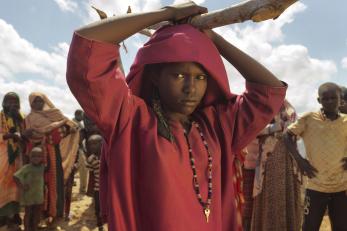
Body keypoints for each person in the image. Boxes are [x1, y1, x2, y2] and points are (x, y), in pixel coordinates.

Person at [66, 2, 287, 230]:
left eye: (200, 77)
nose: (191, 88)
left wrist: (213, 39)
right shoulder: (130, 120)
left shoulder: (216, 126)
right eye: (179, 75)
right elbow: (88, 44)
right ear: (154, 78)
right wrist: (167, 14)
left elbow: (268, 92)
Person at [284, 82, 347, 231]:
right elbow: (287, 136)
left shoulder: (345, 121)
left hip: (341, 186)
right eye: (325, 99)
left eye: (334, 98)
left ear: (341, 100)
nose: (330, 102)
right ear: (319, 100)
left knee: (342, 227)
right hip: (316, 185)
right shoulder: (309, 119)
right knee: (310, 227)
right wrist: (300, 161)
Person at [242, 100, 302, 231]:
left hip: (283, 168)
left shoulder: (289, 111)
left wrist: (277, 129)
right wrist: (273, 128)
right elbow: (251, 130)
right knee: (250, 210)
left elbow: (296, 130)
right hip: (257, 166)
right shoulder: (257, 110)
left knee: (283, 203)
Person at [24, 92, 79, 225]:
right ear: (31, 103)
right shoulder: (28, 119)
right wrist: (33, 135)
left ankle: (55, 212)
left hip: (53, 153)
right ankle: (41, 215)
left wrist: (64, 129)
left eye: (41, 101)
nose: (38, 104)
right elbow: (26, 136)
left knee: (55, 181)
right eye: (35, 101)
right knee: (39, 184)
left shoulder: (54, 115)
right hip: (36, 155)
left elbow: (69, 126)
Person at [0, 92, 25, 231]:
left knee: (15, 187)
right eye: (9, 101)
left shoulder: (21, 119)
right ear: (3, 103)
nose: (12, 104)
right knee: (2, 186)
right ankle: (3, 219)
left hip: (17, 157)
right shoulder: (0, 117)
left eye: (15, 101)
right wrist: (10, 135)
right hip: (2, 157)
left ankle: (13, 218)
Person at [13, 146, 45, 231]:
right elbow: (15, 177)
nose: (36, 158)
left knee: (36, 213)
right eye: (34, 156)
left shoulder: (42, 167)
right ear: (30, 157)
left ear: (42, 158)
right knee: (28, 213)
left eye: (39, 156)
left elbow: (49, 168)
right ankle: (27, 229)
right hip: (29, 196)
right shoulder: (27, 168)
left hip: (38, 195)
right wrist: (22, 186)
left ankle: (34, 228)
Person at [85, 134, 104, 231]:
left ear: (102, 143)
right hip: (97, 189)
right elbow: (91, 175)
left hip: (109, 189)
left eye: (95, 143)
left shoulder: (109, 155)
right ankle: (100, 225)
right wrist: (90, 190)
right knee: (98, 208)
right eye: (90, 144)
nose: (92, 146)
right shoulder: (90, 159)